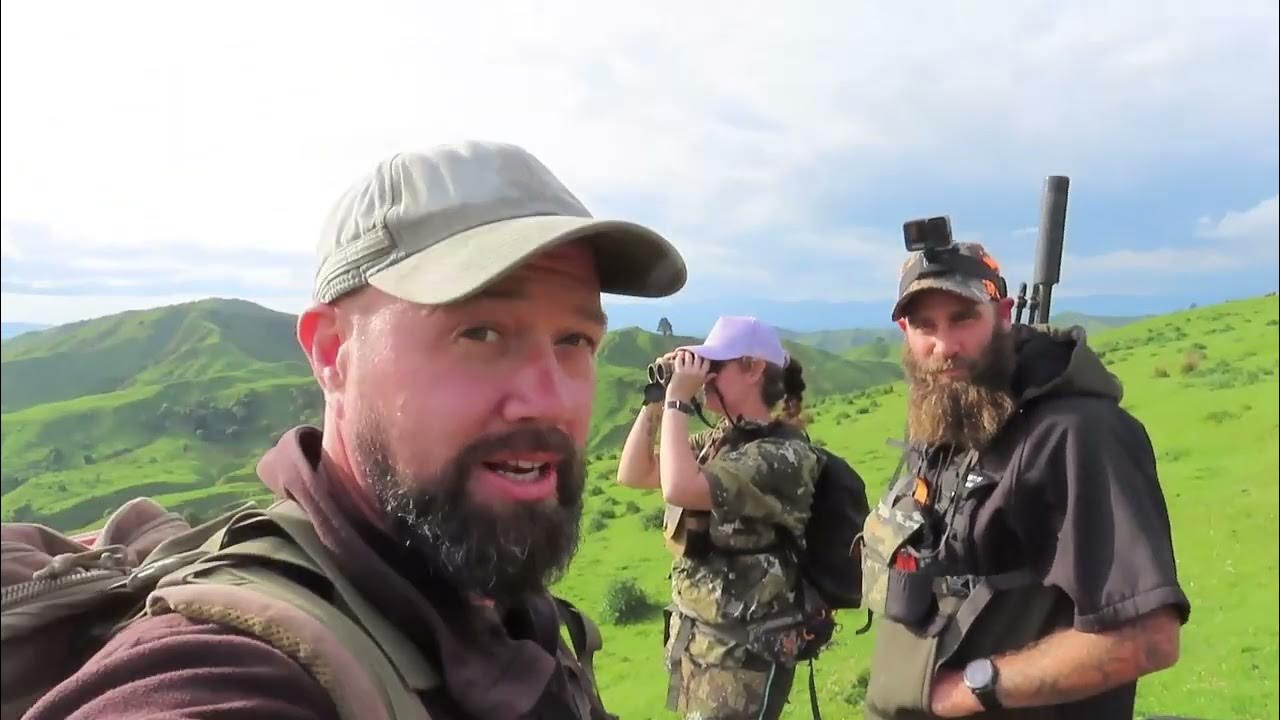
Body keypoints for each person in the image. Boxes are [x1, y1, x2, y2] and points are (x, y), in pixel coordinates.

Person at [22, 140, 688, 720]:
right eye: (480, 332)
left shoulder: (477, 586)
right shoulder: (228, 669)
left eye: (574, 339)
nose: (548, 399)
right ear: (331, 351)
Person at [860, 242, 1191, 719]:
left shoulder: (1077, 435)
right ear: (903, 330)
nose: (944, 346)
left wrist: (973, 687)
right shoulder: (946, 418)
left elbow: (1146, 638)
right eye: (924, 325)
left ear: (1003, 313)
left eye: (963, 318)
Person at [615, 316, 823, 720]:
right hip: (701, 645)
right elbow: (635, 472)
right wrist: (657, 398)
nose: (705, 377)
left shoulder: (780, 456)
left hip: (744, 658)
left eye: (717, 366)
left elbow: (679, 488)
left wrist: (679, 399)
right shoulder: (722, 440)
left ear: (753, 368)